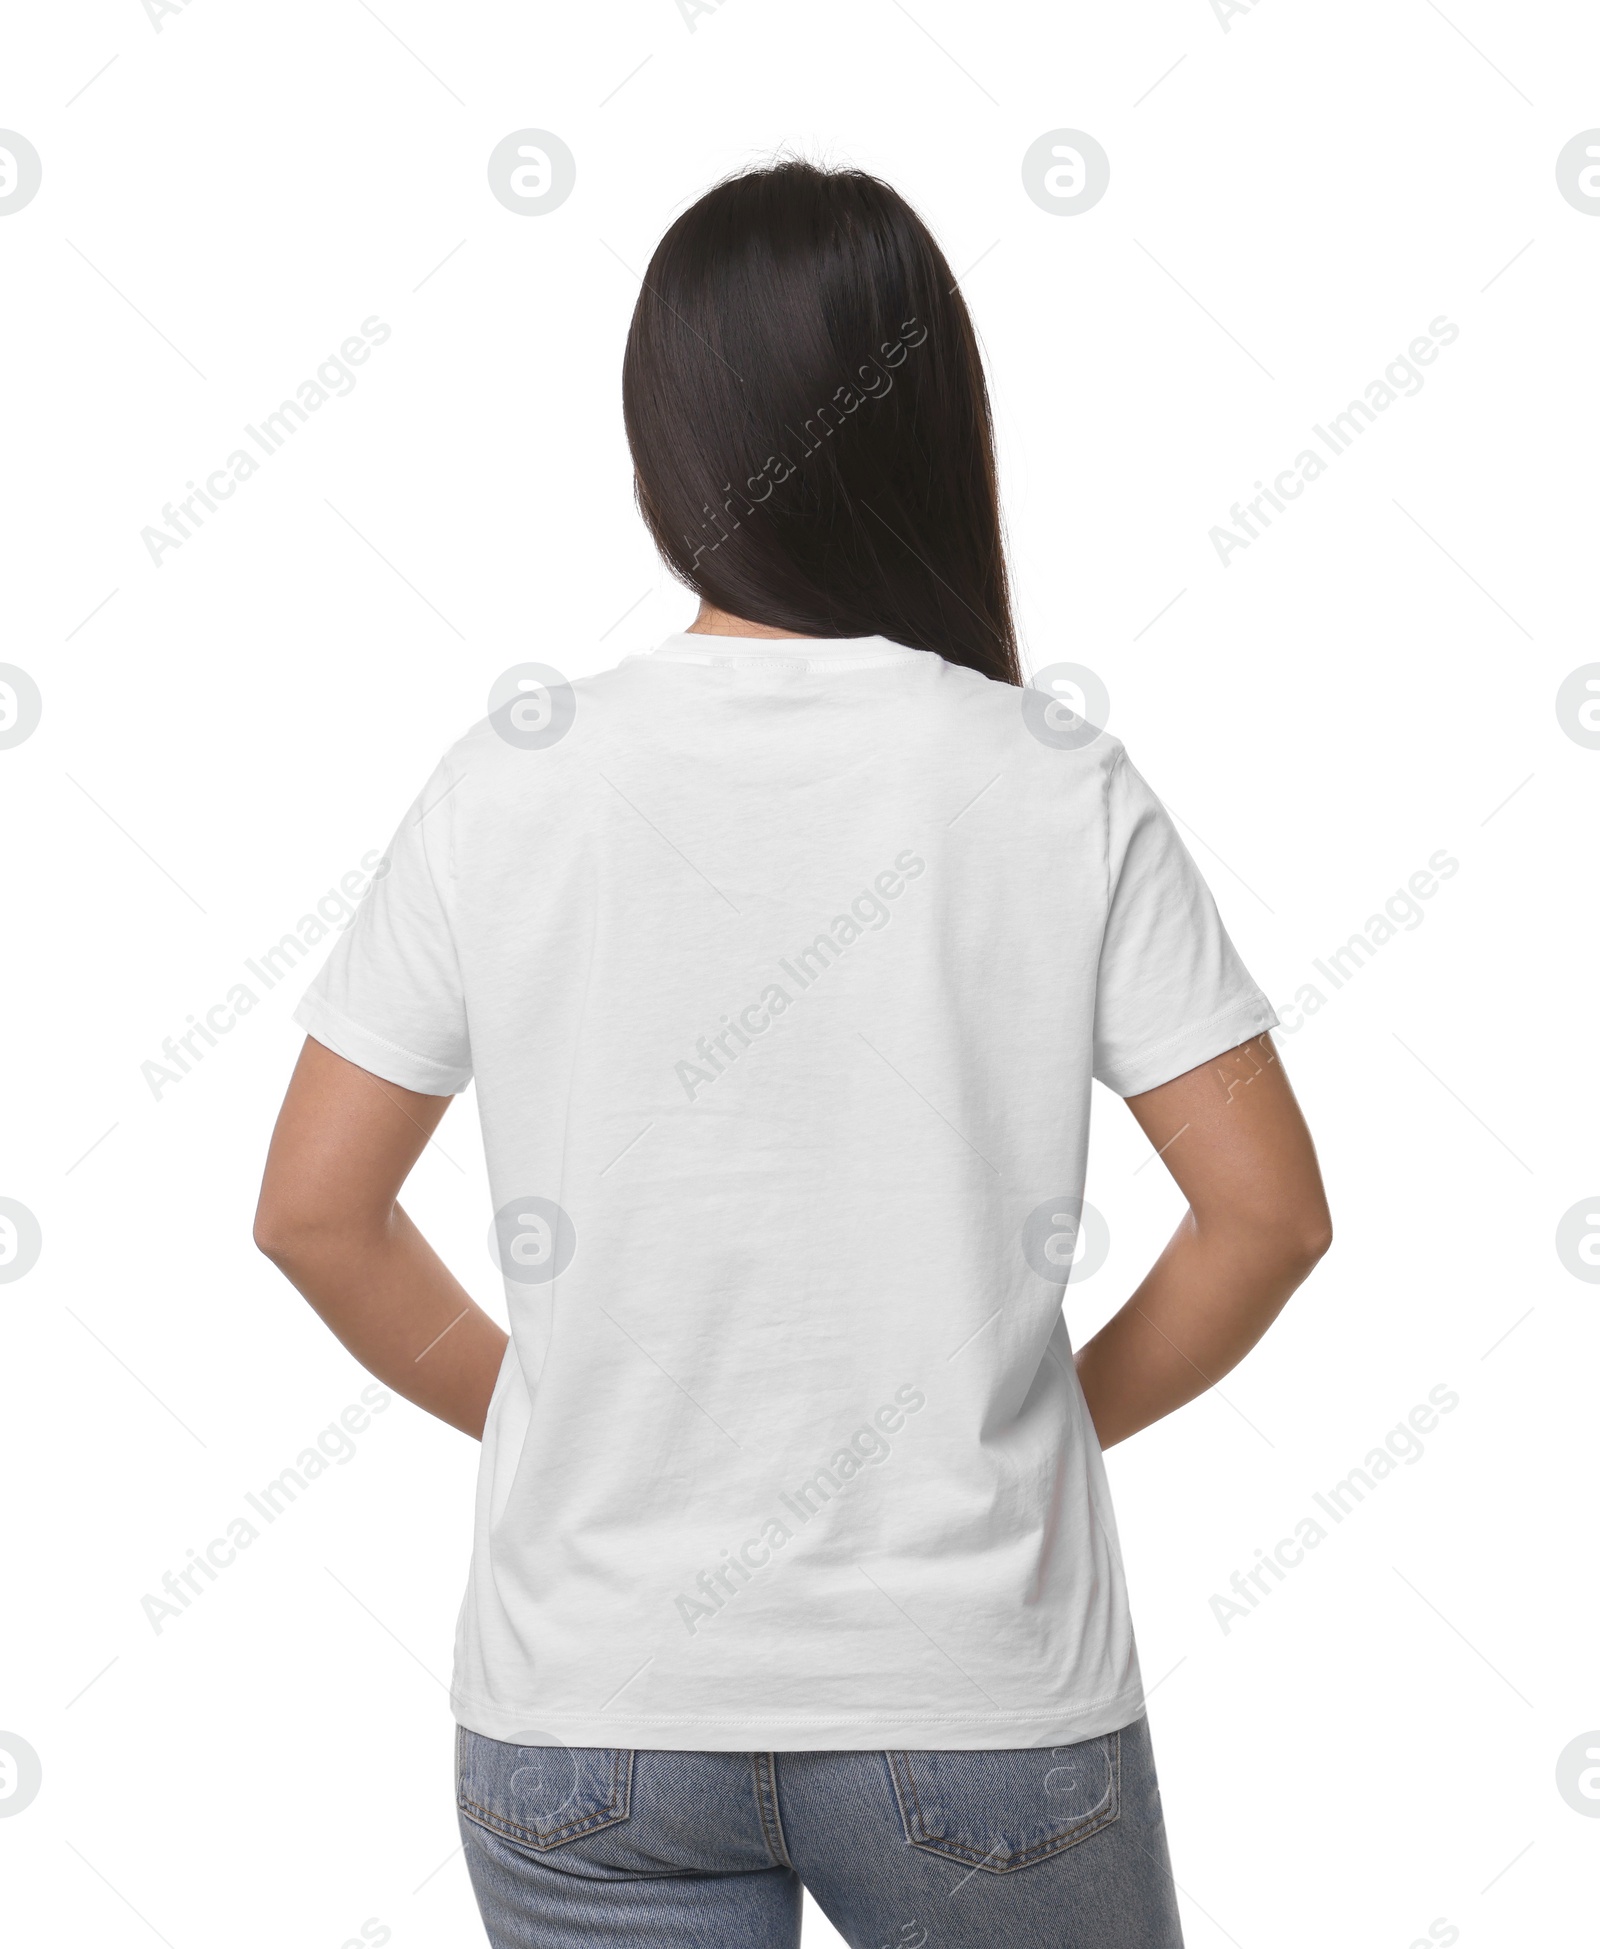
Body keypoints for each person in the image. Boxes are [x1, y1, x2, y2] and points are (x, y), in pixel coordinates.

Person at [254, 158, 1331, 1949]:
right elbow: (1269, 1219)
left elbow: (312, 1212)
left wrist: (546, 1404)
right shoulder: (1049, 782)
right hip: (975, 1701)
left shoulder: (513, 777)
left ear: (661, 448)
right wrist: (1046, 1425)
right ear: (933, 427)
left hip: (587, 1714)